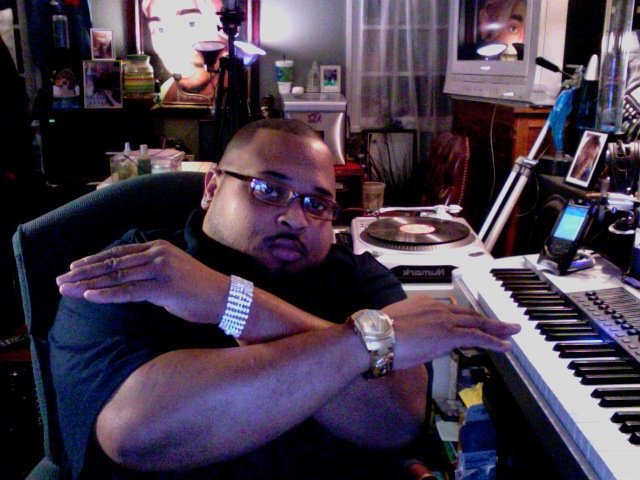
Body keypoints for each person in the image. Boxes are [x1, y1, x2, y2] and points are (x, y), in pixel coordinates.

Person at [53, 118, 520, 479]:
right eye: (269, 191)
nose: (295, 219)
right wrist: (363, 343)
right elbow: (140, 435)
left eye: (317, 204)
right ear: (212, 187)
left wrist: (232, 304)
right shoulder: (139, 270)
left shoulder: (357, 277)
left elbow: (396, 421)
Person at [140, 0, 226, 105]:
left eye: (191, 24)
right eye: (160, 30)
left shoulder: (242, 97)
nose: (174, 47)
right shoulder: (161, 97)